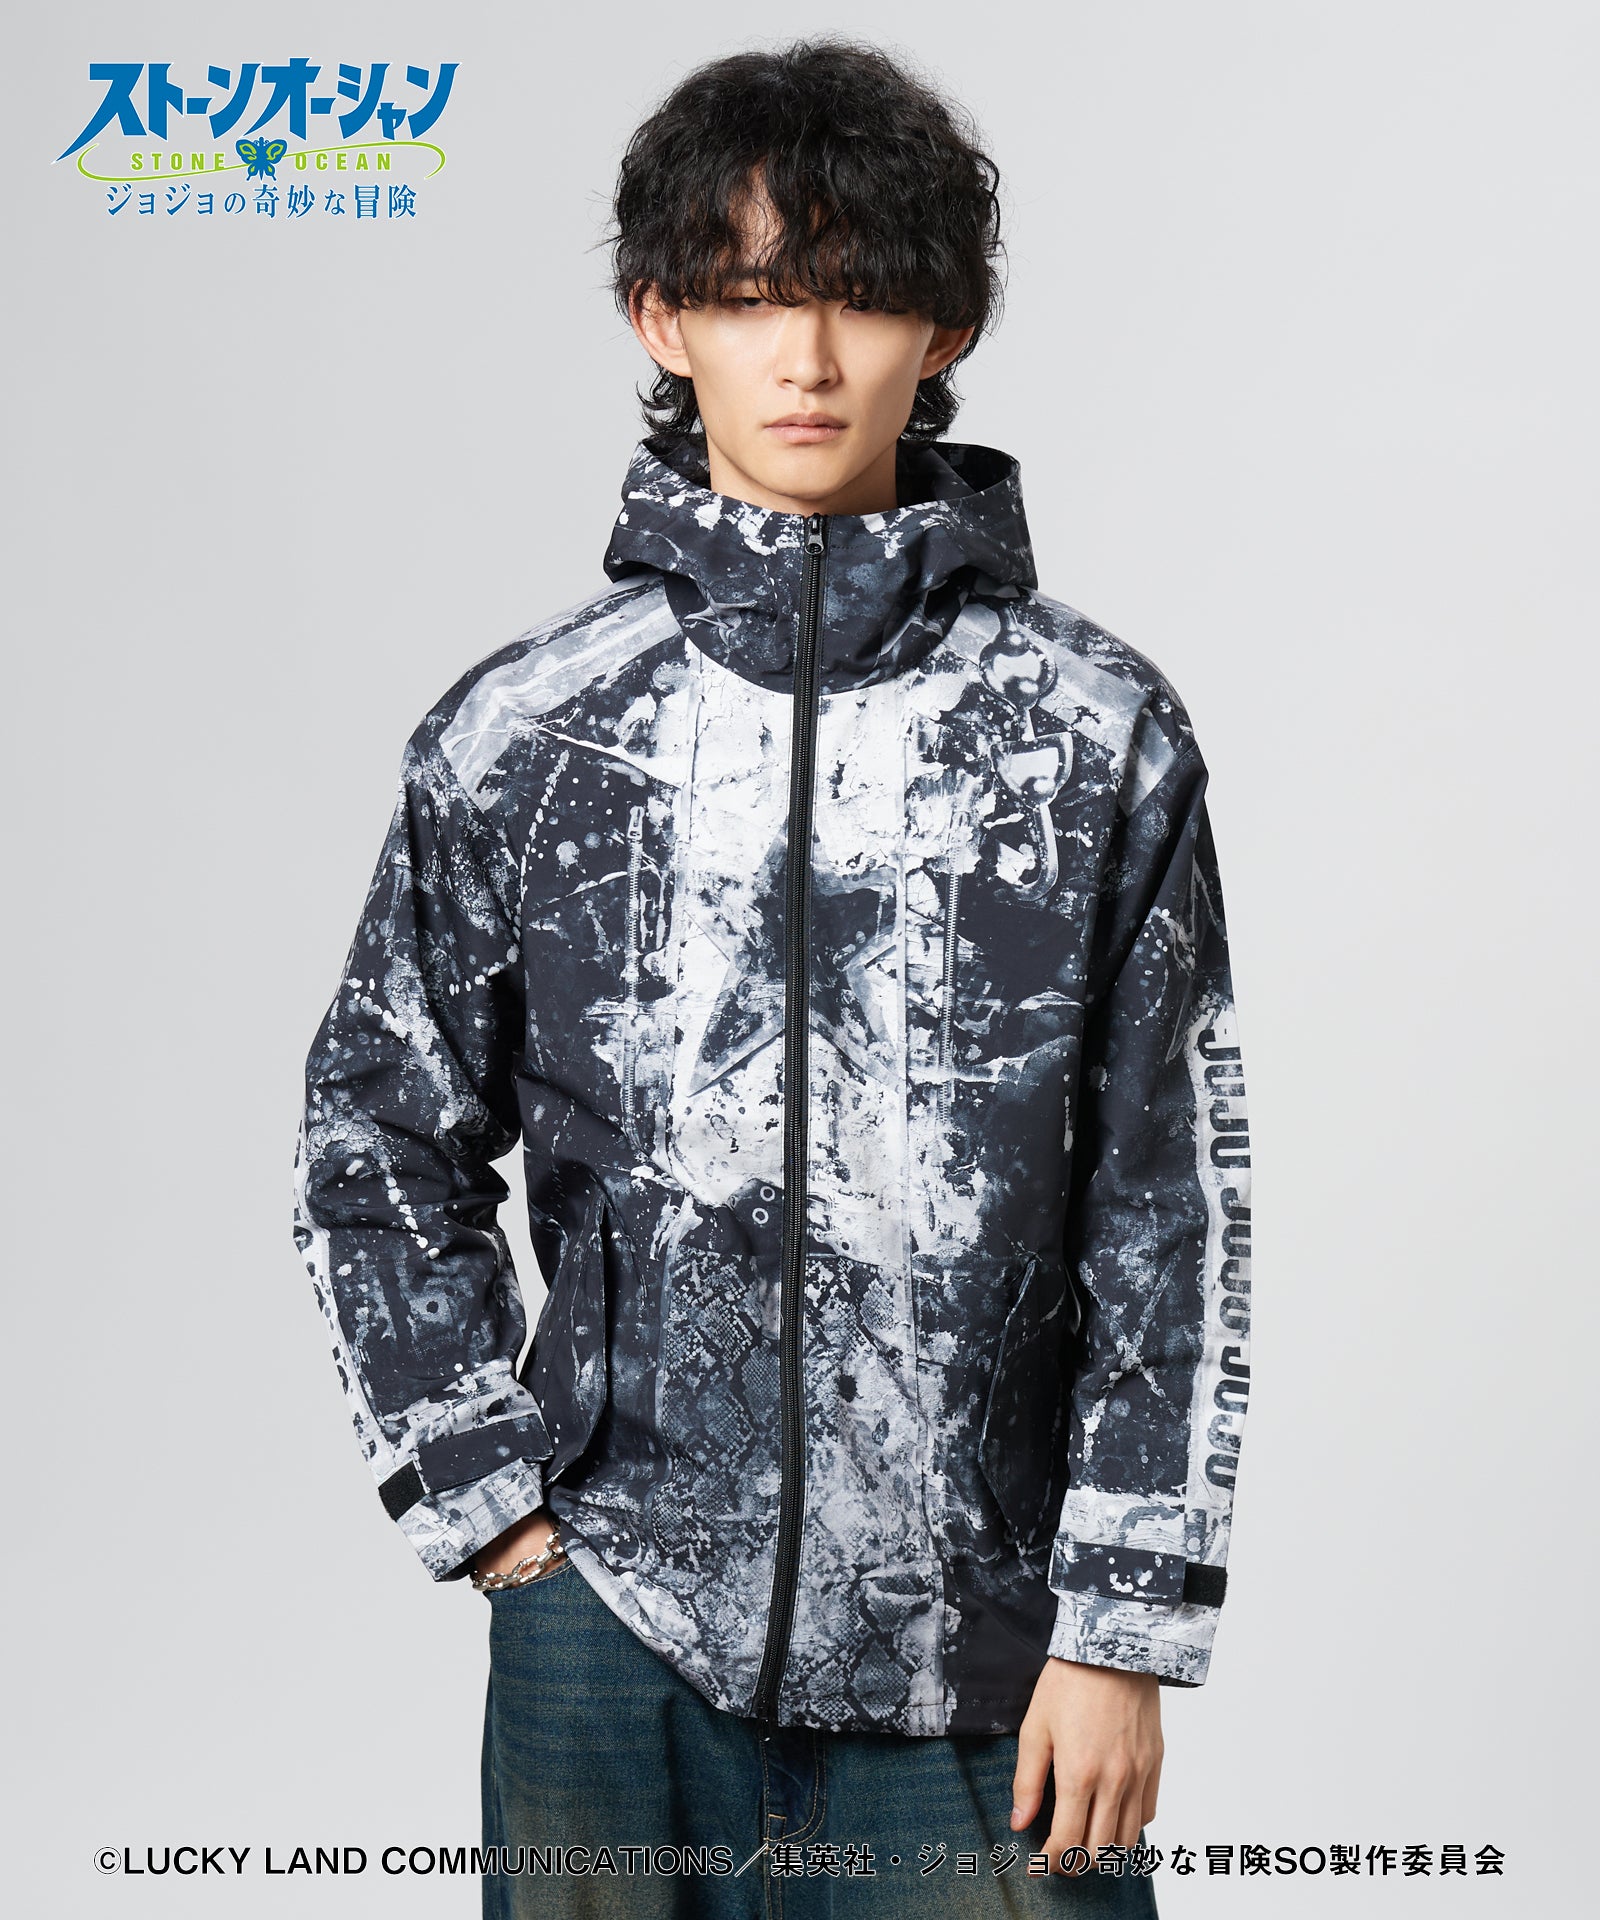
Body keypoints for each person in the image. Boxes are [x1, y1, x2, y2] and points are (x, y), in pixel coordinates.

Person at [291, 35, 1254, 1919]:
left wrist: (1123, 1621)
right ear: (663, 321)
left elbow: (1169, 1203)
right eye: (747, 300)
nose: (806, 358)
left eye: (862, 297)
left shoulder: (1094, 734)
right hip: (613, 1635)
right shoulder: (526, 735)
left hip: (989, 1653)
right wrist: (496, 1512)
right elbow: (373, 1128)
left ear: (946, 327)